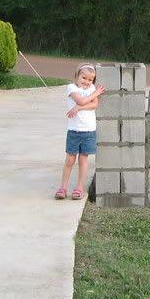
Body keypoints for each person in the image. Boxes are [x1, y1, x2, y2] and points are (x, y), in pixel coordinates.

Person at [56, 63, 105, 200]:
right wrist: (92, 96)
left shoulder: (92, 88)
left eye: (90, 80)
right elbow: (82, 101)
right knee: (70, 160)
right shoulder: (71, 88)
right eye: (84, 78)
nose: (87, 82)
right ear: (77, 76)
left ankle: (79, 187)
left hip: (89, 131)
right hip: (74, 132)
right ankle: (63, 187)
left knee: (83, 161)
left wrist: (78, 108)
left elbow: (95, 104)